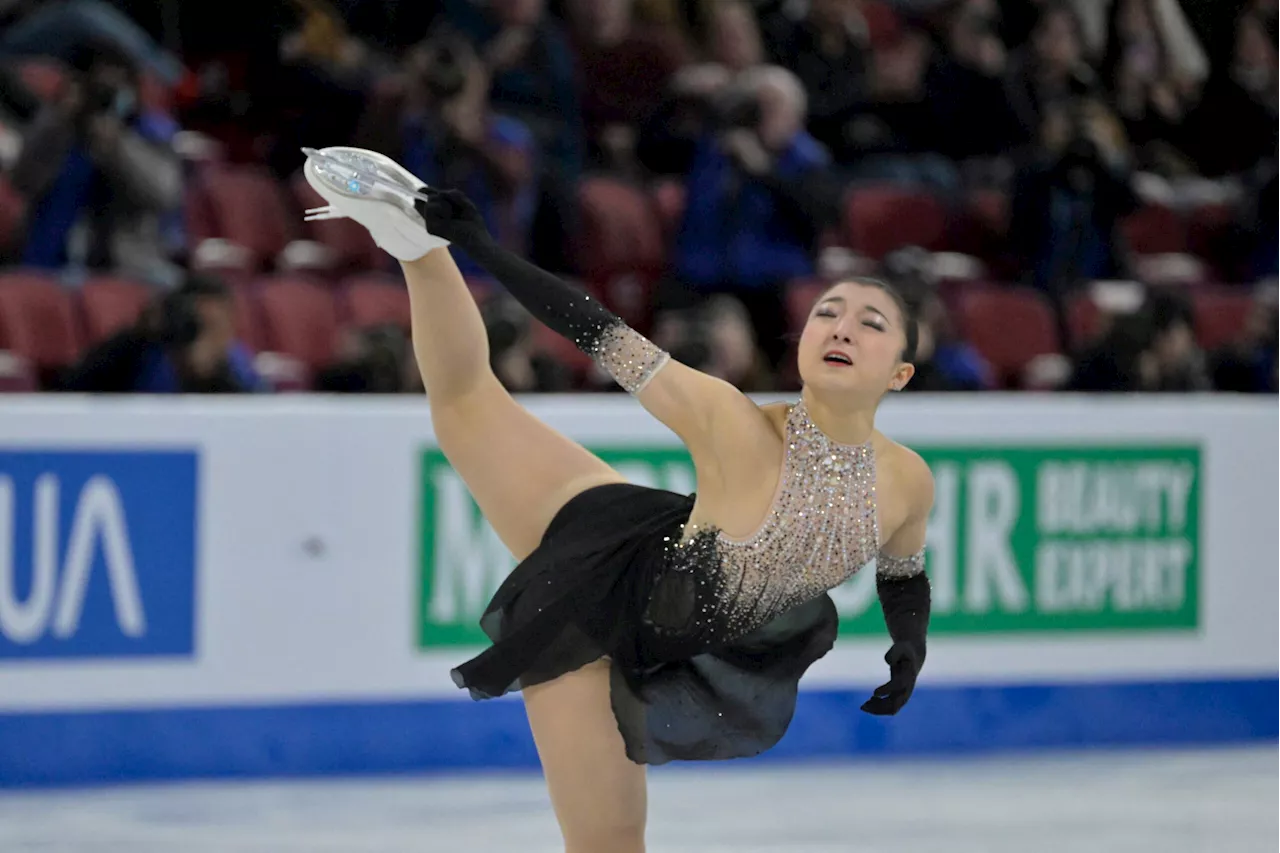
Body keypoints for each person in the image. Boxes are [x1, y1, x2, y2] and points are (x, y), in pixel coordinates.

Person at [302, 146, 934, 853]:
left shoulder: (907, 480)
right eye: (828, 312)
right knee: (464, 404)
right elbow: (595, 328)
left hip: (648, 554)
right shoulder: (730, 422)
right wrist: (474, 243)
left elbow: (903, 573)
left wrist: (909, 642)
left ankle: (416, 245)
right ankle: (417, 246)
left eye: (870, 322)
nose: (842, 326)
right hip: (592, 620)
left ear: (901, 372)